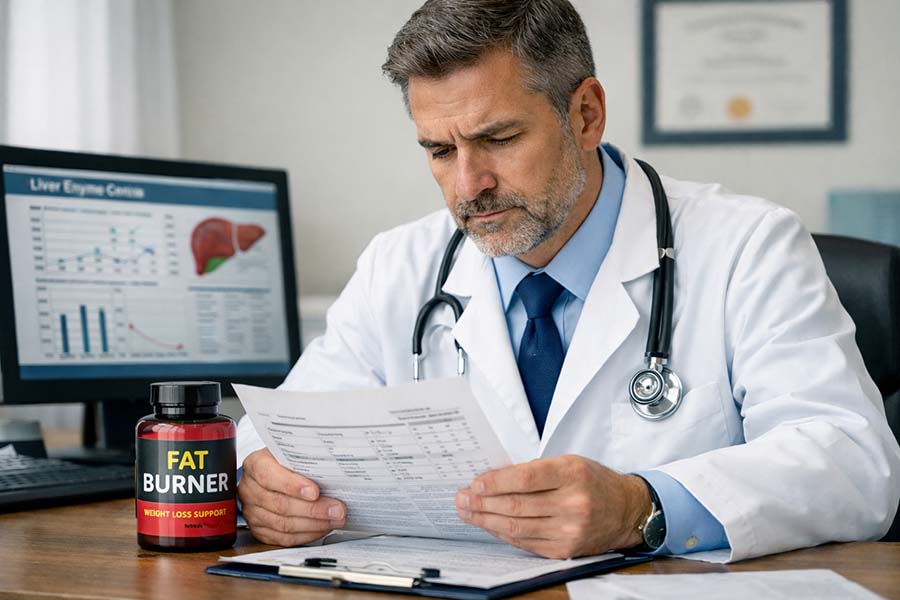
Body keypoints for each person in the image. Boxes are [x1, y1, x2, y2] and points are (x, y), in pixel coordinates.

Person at [236, 0, 900, 561]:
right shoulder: (399, 264)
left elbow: (853, 463)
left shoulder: (747, 246)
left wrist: (642, 505)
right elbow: (286, 427)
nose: (469, 185)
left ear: (585, 114)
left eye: (497, 138)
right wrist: (259, 477)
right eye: (440, 150)